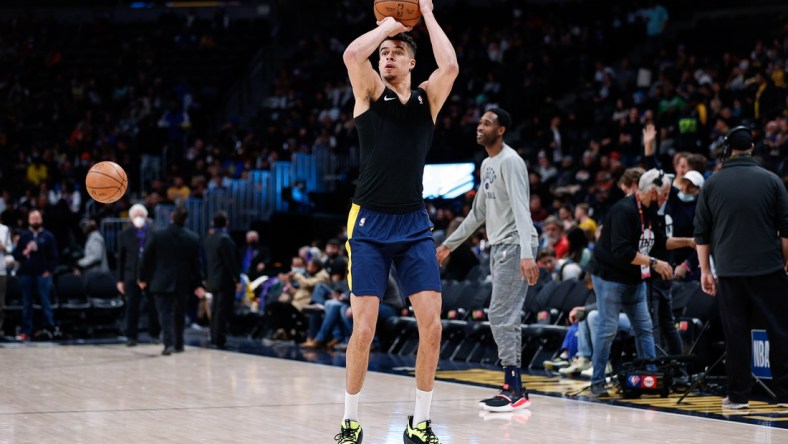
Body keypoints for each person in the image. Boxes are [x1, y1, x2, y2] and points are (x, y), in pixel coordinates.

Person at [337, 0, 458, 441]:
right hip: (368, 224)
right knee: (364, 328)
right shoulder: (369, 91)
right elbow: (353, 55)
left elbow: (451, 64)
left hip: (413, 225)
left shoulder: (427, 98)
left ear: (411, 62)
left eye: (395, 52)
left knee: (433, 326)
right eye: (383, 52)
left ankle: (420, 422)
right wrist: (388, 24)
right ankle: (350, 421)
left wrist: (425, 13)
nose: (386, 56)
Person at [437, 107, 539, 413]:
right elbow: (477, 214)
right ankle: (512, 385)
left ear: (502, 130)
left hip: (514, 246)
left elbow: (523, 209)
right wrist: (448, 245)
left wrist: (527, 254)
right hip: (499, 247)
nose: (479, 126)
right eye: (479, 122)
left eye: (487, 123)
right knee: (500, 314)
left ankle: (515, 388)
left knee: (501, 314)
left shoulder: (511, 161)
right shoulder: (487, 164)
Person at [693, 126, 788, 409]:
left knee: (736, 333)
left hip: (730, 272)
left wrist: (705, 271)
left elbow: (701, 233)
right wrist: (785, 262)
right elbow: (786, 229)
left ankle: (738, 396)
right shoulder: (772, 180)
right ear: (752, 147)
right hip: (768, 268)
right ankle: (785, 395)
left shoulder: (712, 183)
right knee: (780, 331)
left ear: (726, 150)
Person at [587, 168, 695, 396]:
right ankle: (597, 382)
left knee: (645, 329)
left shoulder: (652, 212)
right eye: (665, 194)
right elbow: (623, 250)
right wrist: (655, 263)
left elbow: (661, 241)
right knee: (608, 328)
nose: (667, 199)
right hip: (609, 277)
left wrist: (689, 242)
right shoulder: (623, 211)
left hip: (634, 278)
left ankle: (651, 377)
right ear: (653, 193)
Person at [138, 205, 203, 356]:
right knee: (180, 313)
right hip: (182, 282)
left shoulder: (158, 235)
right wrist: (199, 283)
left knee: (164, 314)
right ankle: (179, 343)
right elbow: (196, 265)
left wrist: (142, 278)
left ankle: (168, 343)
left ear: (171, 217)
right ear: (186, 220)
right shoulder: (193, 238)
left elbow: (145, 258)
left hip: (161, 281)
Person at [117, 203, 160, 346]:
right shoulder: (125, 235)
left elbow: (157, 256)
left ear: (146, 217)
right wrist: (120, 280)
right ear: (131, 218)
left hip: (151, 275)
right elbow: (121, 258)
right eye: (136, 215)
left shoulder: (154, 233)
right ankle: (131, 336)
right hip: (131, 275)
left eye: (141, 215)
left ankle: (154, 334)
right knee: (132, 307)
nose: (138, 218)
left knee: (153, 306)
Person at [13, 210, 58, 341]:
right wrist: (25, 251)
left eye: (37, 218)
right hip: (26, 275)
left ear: (41, 219)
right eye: (33, 218)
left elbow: (54, 257)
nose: (35, 221)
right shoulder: (24, 236)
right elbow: (16, 254)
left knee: (46, 302)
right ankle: (26, 331)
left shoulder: (48, 236)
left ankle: (49, 330)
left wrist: (49, 271)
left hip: (42, 275)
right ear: (29, 220)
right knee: (27, 304)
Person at [204, 210, 241, 349]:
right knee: (221, 311)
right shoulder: (224, 239)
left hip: (212, 279)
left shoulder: (209, 238)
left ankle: (215, 337)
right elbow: (230, 262)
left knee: (215, 311)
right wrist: (237, 279)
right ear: (226, 222)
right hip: (224, 280)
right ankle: (219, 339)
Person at [0, 219, 12, 334]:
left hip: (1, 270)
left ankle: (0, 328)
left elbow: (10, 248)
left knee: (1, 302)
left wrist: (4, 247)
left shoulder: (5, 229)